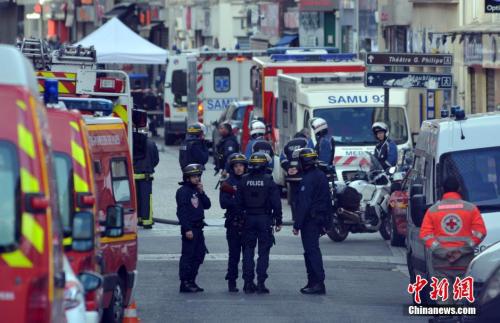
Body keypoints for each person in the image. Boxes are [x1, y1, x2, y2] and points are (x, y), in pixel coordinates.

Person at [419, 176, 487, 306]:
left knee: (443, 298)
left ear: (442, 190)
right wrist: (462, 251)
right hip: (464, 261)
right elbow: (480, 232)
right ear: (459, 189)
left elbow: (425, 234)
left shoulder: (433, 210)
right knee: (462, 299)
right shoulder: (470, 209)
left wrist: (443, 252)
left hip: (441, 262)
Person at [236, 152, 282, 294]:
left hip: (248, 219)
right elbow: (276, 203)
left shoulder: (243, 180)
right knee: (264, 252)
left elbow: (238, 203)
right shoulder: (269, 180)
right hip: (264, 219)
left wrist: (240, 218)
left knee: (248, 252)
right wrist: (278, 219)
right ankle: (261, 283)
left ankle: (248, 283)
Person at [293, 148, 332, 295]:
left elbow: (304, 203)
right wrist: (327, 223)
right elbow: (328, 201)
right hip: (319, 219)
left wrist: (297, 224)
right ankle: (313, 282)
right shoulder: (320, 175)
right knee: (311, 251)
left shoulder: (308, 179)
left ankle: (317, 283)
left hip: (310, 220)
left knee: (311, 252)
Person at [176, 164, 211, 293]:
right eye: (194, 176)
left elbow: (207, 205)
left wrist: (202, 192)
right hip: (190, 228)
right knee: (188, 256)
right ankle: (184, 282)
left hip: (199, 228)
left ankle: (192, 280)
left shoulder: (197, 190)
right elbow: (181, 212)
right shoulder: (183, 192)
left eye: (198, 176)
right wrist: (187, 229)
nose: (196, 179)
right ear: (187, 178)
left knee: (199, 254)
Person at [219, 153, 247, 292]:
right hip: (233, 222)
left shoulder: (249, 180)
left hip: (248, 222)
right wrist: (237, 200)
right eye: (236, 166)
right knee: (234, 254)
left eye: (241, 165)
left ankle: (249, 282)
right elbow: (223, 203)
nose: (239, 168)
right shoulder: (228, 183)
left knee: (248, 254)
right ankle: (232, 281)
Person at [280, 130, 309, 220]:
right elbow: (309, 156)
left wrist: (289, 168)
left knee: (293, 197)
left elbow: (282, 159)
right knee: (304, 196)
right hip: (303, 175)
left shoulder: (288, 144)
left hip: (291, 177)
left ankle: (295, 217)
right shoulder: (306, 142)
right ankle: (303, 216)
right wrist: (299, 168)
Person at [133, 130, 159, 229]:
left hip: (133, 175)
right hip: (146, 176)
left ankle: (139, 219)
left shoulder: (130, 141)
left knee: (136, 198)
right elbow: (156, 160)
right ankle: (147, 222)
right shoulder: (151, 143)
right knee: (146, 199)